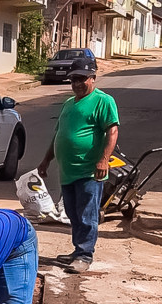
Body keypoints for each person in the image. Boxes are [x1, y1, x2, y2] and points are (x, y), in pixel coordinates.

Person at [38, 57, 119, 273]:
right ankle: (77, 250)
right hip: (68, 171)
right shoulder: (68, 104)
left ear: (93, 78)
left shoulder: (103, 101)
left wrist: (103, 160)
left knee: (87, 214)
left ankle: (84, 255)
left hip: (89, 170)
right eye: (73, 79)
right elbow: (58, 135)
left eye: (81, 79)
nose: (76, 84)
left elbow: (112, 131)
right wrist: (46, 160)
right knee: (73, 214)